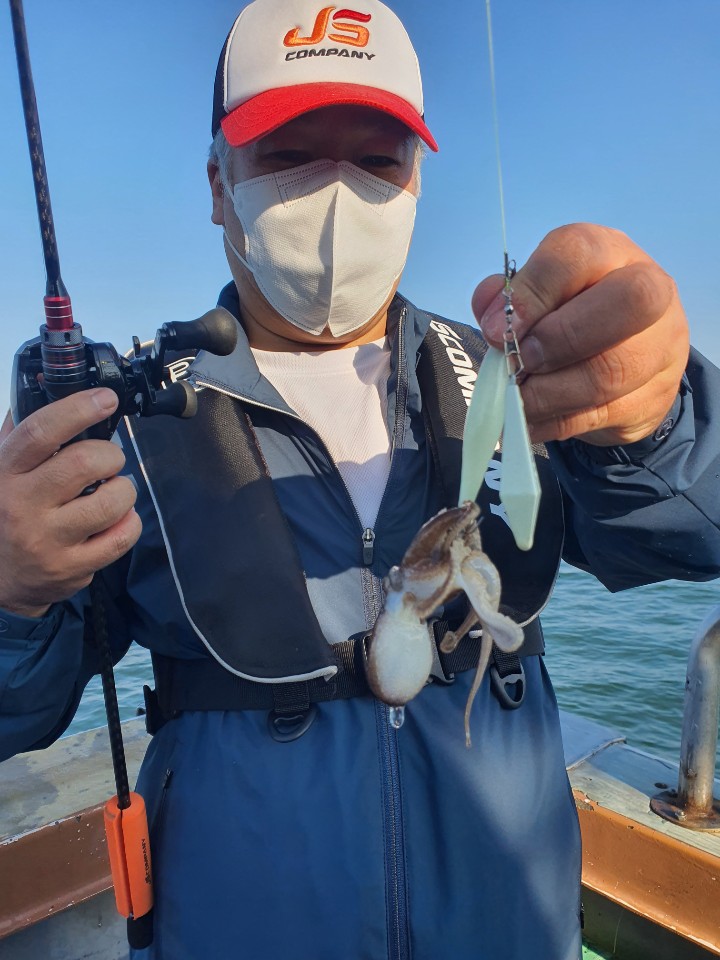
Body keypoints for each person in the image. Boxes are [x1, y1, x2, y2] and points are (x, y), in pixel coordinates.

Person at [1, 1, 719, 957]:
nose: (337, 190)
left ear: (417, 181)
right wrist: (12, 591)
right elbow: (21, 706)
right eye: (289, 153)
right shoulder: (132, 425)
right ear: (218, 184)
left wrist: (652, 418)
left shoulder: (516, 385)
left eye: (378, 159)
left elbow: (695, 531)